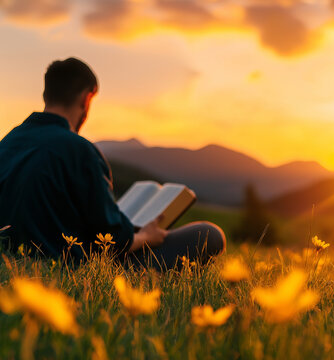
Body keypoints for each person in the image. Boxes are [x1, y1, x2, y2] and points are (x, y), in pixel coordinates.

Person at [0, 57, 226, 269]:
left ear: (46, 95)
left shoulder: (7, 143)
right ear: (86, 99)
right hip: (74, 266)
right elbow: (112, 242)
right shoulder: (79, 150)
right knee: (209, 234)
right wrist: (147, 236)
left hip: (12, 258)